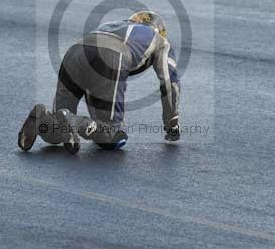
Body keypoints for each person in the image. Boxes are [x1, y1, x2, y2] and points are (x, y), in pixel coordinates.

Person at [18, 10, 181, 154]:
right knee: (112, 135)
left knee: (57, 129)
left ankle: (42, 118)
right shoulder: (160, 41)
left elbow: (95, 82)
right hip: (111, 54)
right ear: (158, 29)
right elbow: (170, 83)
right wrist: (172, 124)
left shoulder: (111, 24)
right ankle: (72, 120)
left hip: (75, 51)